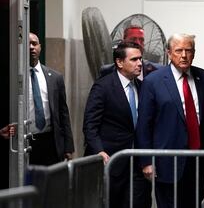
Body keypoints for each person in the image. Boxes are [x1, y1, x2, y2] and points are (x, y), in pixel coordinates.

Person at [136, 33, 204, 208]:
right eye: (178, 50)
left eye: (188, 50)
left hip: (198, 160)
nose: (183, 55)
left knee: (194, 203)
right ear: (168, 53)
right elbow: (144, 124)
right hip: (167, 161)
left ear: (194, 53)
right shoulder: (153, 81)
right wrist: (146, 161)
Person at [83, 41, 151, 208]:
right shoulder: (103, 87)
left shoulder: (144, 87)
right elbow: (90, 125)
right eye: (134, 59)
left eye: (140, 59)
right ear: (119, 62)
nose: (140, 63)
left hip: (138, 164)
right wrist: (99, 150)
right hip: (112, 163)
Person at [28, 32, 74, 165]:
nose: (31, 47)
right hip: (26, 141)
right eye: (28, 44)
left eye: (35, 44)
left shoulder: (55, 77)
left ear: (40, 47)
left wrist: (68, 147)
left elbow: (63, 113)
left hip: (51, 141)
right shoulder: (15, 77)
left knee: (51, 183)